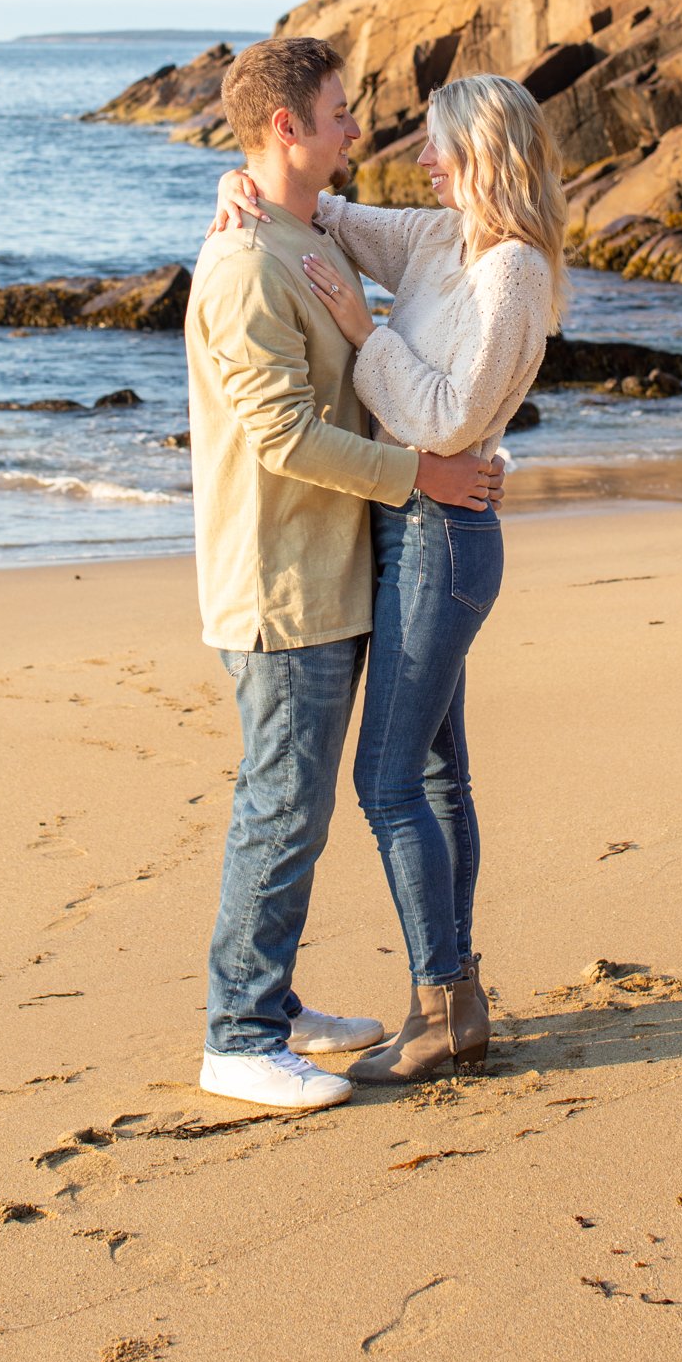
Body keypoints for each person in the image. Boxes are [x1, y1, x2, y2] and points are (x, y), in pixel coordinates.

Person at [212, 72, 565, 1083]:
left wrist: (366, 337)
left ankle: (440, 1005)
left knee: (388, 780)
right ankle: (453, 996)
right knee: (437, 775)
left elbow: (449, 420)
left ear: (482, 155)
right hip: (411, 527)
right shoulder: (435, 240)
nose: (418, 160)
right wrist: (237, 186)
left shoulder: (510, 273)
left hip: (442, 536)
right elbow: (318, 205)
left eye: (436, 147)